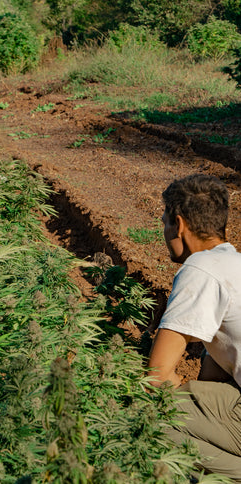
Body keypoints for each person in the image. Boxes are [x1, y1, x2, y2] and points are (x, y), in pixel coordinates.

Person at [148, 173, 241, 480]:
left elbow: (157, 377)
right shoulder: (234, 265)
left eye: (165, 223)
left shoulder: (201, 268)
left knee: (152, 421)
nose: (164, 232)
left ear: (180, 224)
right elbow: (217, 373)